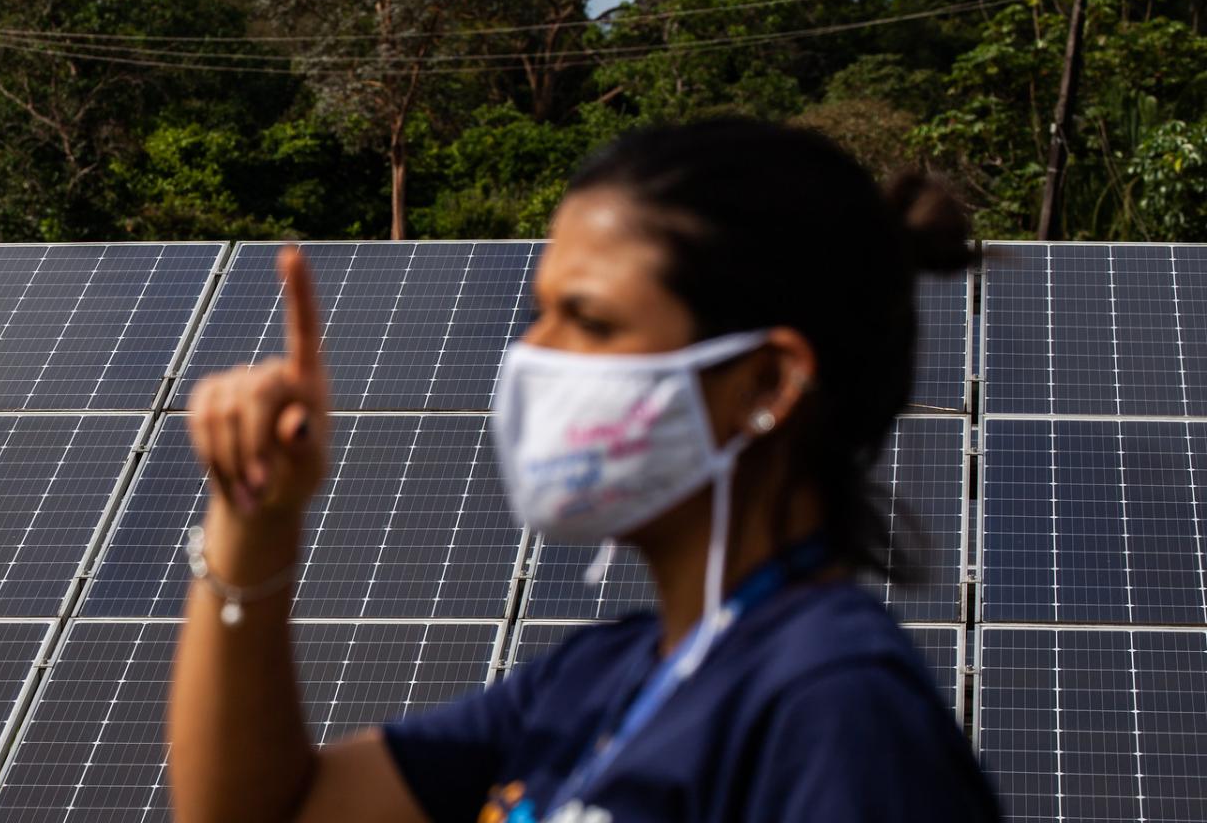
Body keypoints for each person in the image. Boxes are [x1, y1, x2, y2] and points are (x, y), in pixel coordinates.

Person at [167, 118, 1004, 823]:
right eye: (541, 313)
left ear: (765, 384)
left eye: (590, 321)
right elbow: (270, 812)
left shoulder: (834, 711)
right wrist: (255, 515)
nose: (533, 355)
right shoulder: (593, 685)